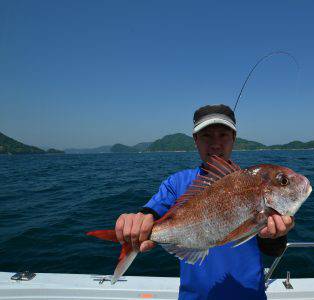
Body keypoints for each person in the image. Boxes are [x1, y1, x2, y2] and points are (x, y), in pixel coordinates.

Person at [115, 104, 295, 299]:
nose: (215, 144)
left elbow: (273, 251)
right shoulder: (177, 183)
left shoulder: (253, 183)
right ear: (195, 140)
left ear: (234, 138)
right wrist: (138, 221)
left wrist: (276, 236)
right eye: (206, 135)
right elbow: (150, 213)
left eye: (223, 135)